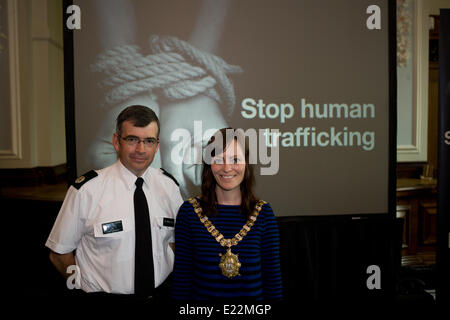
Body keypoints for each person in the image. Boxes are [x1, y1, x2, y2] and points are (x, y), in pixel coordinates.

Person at [45, 105, 183, 302]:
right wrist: (81, 288)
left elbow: (174, 242)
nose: (140, 149)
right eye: (132, 139)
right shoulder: (86, 191)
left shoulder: (169, 187)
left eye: (149, 141)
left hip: (162, 295)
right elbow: (59, 254)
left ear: (157, 145)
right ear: (116, 142)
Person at [172, 128, 282, 300]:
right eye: (219, 160)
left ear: (247, 164)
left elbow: (273, 284)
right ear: (209, 165)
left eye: (235, 159)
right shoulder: (189, 212)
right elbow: (181, 282)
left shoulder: (263, 214)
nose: (227, 168)